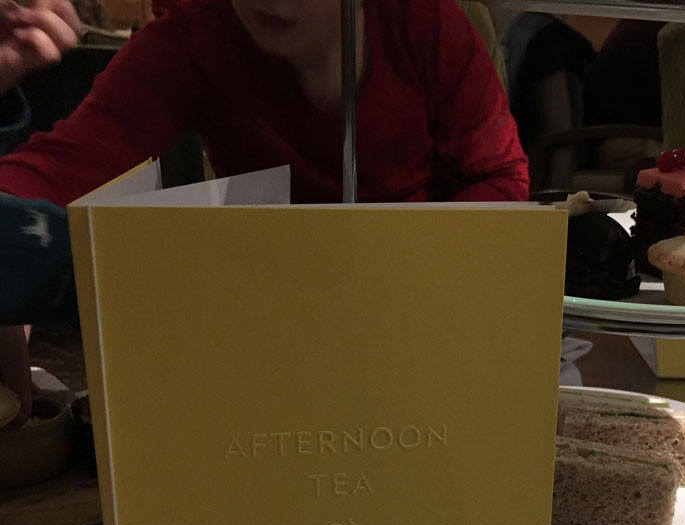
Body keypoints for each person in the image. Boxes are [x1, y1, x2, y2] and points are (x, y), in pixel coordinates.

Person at [0, 0, 527, 421]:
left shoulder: (424, 23)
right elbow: (65, 164)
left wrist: (420, 286)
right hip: (273, 334)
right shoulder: (197, 31)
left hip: (420, 326)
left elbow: (498, 178)